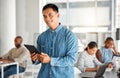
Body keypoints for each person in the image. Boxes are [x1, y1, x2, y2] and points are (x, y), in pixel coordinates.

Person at [31, 3, 78, 78]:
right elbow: (39, 59)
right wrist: (35, 58)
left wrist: (50, 60)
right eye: (45, 16)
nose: (47, 19)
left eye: (50, 15)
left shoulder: (69, 36)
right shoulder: (41, 37)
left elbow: (72, 59)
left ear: (58, 15)